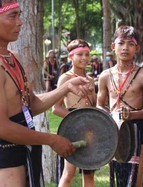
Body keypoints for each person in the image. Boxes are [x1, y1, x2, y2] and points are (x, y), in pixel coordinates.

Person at [0, 0, 92, 187]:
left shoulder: (12, 57)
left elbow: (30, 105)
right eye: (12, 16)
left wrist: (65, 87)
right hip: (6, 160)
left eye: (20, 16)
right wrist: (52, 140)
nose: (20, 22)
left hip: (25, 152)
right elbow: (2, 127)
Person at [97, 25, 143, 187]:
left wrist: (133, 115)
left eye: (130, 44)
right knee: (118, 175)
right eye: (121, 43)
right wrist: (111, 116)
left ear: (136, 48)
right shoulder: (105, 76)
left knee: (135, 178)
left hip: (137, 128)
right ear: (113, 46)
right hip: (114, 128)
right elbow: (99, 105)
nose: (125, 48)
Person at [52, 39, 96, 187]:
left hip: (89, 129)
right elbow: (56, 108)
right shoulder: (65, 78)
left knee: (89, 172)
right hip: (72, 128)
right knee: (69, 173)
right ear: (71, 57)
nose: (84, 58)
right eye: (80, 54)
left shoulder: (90, 79)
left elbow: (93, 106)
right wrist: (76, 120)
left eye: (87, 54)